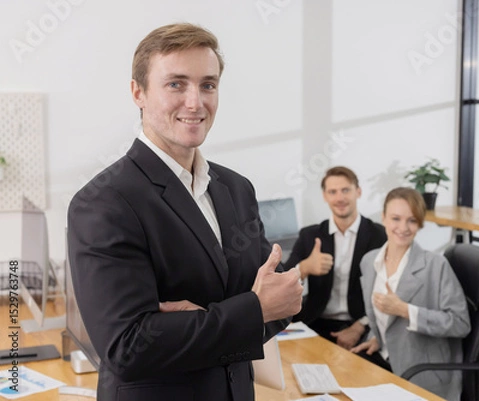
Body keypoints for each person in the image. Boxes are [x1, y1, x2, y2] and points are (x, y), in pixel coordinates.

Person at [67, 23, 303, 401]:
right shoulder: (103, 202)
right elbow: (128, 348)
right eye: (176, 84)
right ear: (138, 92)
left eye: (207, 85)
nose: (195, 102)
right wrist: (248, 310)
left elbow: (279, 303)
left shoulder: (237, 189)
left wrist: (207, 320)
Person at [351, 187, 470, 401]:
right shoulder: (369, 261)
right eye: (396, 218)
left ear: (420, 224)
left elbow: (460, 323)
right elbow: (383, 319)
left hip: (420, 373)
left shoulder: (435, 265)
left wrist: (405, 310)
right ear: (384, 218)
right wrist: (378, 338)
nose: (403, 228)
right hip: (384, 360)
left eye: (412, 221)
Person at [283, 166, 386, 349]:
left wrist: (359, 327)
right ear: (325, 196)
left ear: (358, 192)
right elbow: (282, 280)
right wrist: (305, 267)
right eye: (333, 192)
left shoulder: (379, 236)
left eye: (346, 190)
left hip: (361, 325)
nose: (340, 198)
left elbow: (388, 290)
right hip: (315, 322)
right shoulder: (310, 235)